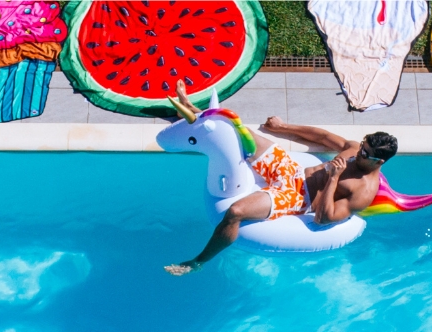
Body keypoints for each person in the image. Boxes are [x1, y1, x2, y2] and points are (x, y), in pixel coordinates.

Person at [162, 85, 400, 275]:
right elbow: (324, 137)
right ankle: (193, 110)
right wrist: (283, 127)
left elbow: (324, 218)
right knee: (237, 132)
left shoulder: (363, 191)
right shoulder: (355, 149)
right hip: (290, 170)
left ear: (379, 162)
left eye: (366, 154)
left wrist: (334, 178)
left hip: (297, 197)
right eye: (363, 147)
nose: (360, 153)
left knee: (235, 212)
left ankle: (198, 261)